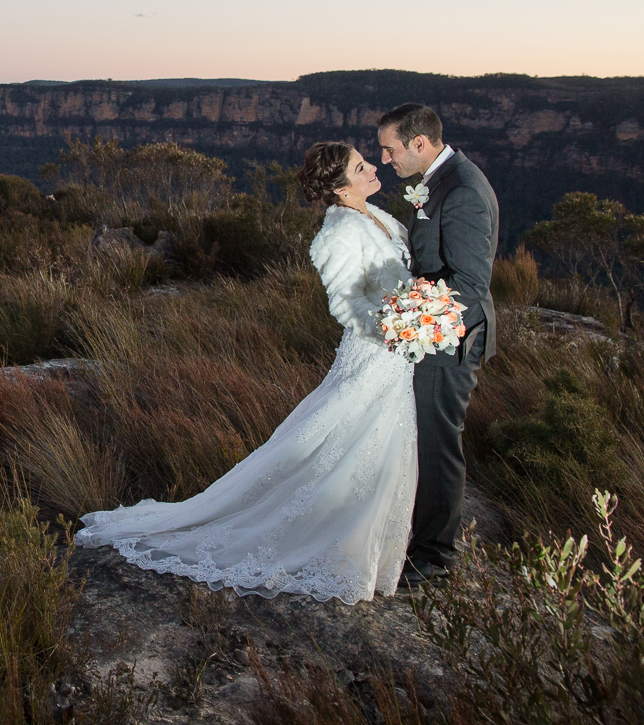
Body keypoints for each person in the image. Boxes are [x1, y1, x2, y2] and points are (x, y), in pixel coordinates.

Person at [75, 141, 418, 604]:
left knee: (378, 447)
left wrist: (418, 314)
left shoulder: (378, 216)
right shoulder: (337, 232)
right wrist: (396, 328)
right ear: (339, 187)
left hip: (396, 358)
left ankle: (370, 547)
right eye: (361, 166)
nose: (373, 167)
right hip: (374, 353)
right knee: (342, 441)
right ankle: (325, 540)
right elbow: (344, 303)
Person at [377, 103, 498, 588]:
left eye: (390, 150)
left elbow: (469, 283)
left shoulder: (464, 191)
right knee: (423, 438)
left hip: (449, 339)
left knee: (437, 442)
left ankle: (434, 558)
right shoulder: (440, 178)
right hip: (434, 330)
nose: (385, 160)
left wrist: (411, 320)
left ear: (420, 144)